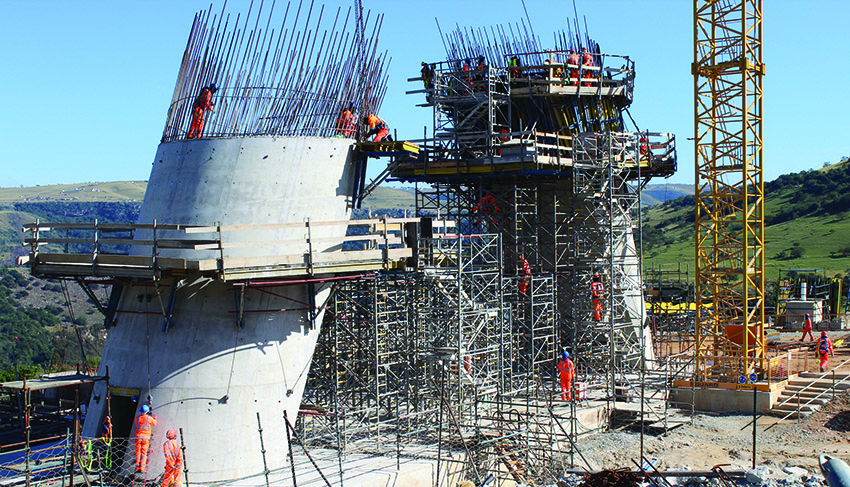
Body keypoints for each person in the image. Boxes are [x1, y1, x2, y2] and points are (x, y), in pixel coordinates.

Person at [133, 404, 157, 476]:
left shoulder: (137, 418)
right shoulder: (149, 418)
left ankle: (137, 467)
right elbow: (154, 423)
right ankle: (142, 468)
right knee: (144, 453)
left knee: (138, 453)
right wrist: (154, 418)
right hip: (146, 438)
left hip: (138, 437)